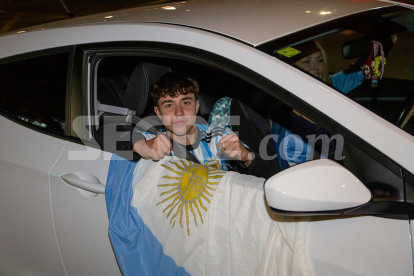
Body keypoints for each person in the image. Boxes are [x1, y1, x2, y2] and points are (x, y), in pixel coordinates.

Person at [132, 72, 265, 175]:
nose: (179, 112)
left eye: (185, 103)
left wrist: (246, 157)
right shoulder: (153, 141)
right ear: (158, 113)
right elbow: (112, 134)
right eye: (169, 105)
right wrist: (140, 146)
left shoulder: (217, 137)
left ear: (196, 106)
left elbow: (267, 175)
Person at [270, 39, 365, 169]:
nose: (316, 66)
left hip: (335, 170)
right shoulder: (281, 102)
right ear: (290, 66)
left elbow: (362, 71)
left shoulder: (329, 86)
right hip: (298, 178)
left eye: (320, 60)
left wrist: (380, 45)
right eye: (306, 61)